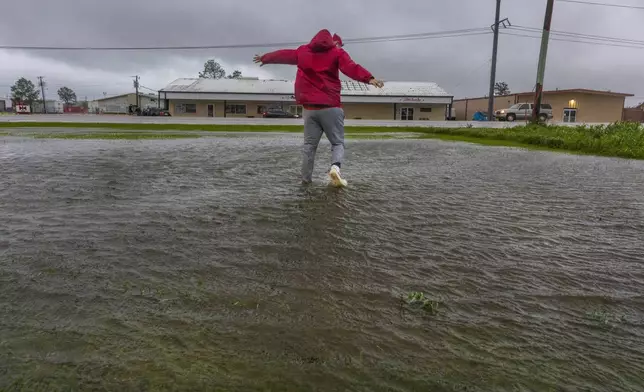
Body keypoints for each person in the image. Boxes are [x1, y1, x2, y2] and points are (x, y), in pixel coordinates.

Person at [254, 29, 384, 187]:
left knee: (309, 146)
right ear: (333, 42)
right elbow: (351, 67)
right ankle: (335, 168)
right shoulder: (337, 52)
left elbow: (284, 55)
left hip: (310, 109)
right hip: (330, 106)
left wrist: (265, 58)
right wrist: (369, 78)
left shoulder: (303, 51)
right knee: (337, 143)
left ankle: (305, 181)